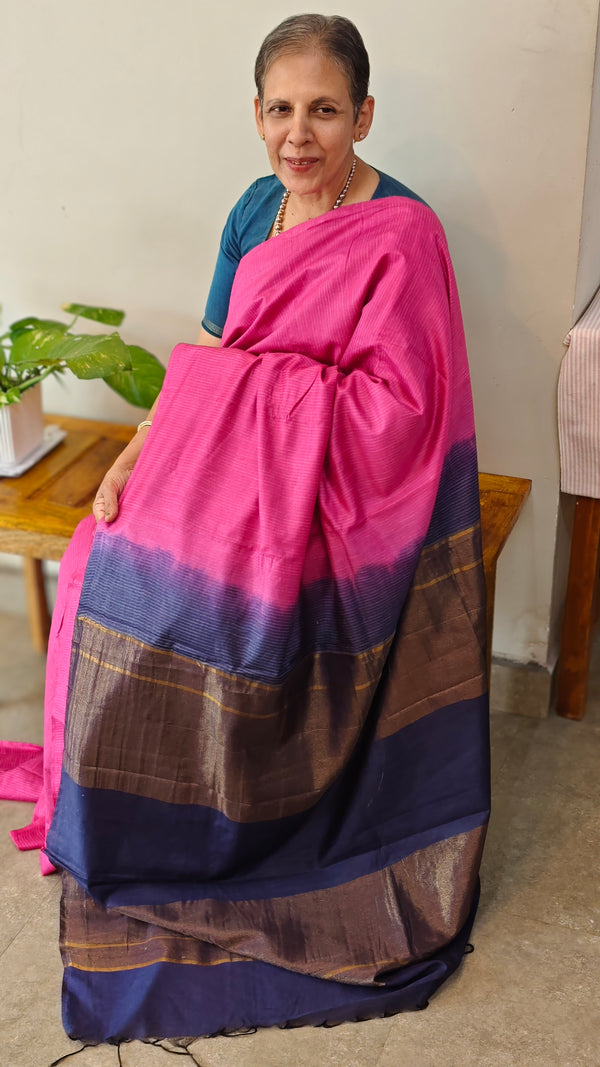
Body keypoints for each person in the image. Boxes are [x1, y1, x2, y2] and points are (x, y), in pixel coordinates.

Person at [1, 14, 490, 1044]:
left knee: (216, 610)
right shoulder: (252, 208)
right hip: (240, 467)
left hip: (344, 501)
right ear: (255, 113)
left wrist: (265, 409)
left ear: (363, 114)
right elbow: (216, 350)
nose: (298, 135)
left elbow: (402, 414)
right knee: (106, 558)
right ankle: (127, 808)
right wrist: (138, 455)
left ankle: (239, 818)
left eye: (323, 110)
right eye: (280, 110)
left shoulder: (403, 230)